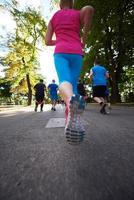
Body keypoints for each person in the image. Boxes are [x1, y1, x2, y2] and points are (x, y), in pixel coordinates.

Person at [45, 0, 94, 142]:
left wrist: (59, 39)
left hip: (61, 52)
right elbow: (89, 9)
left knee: (65, 82)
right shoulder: (78, 13)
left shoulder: (54, 17)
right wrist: (83, 38)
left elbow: (47, 41)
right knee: (73, 86)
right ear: (72, 4)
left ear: (60, 5)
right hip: (76, 53)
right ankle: (70, 122)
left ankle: (72, 107)